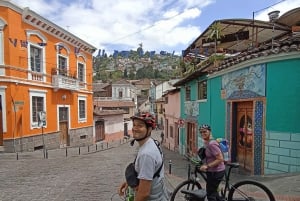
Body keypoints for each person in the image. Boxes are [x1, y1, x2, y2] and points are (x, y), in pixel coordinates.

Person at [118, 112, 169, 201]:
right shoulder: (152, 143)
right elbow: (148, 173)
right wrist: (129, 182)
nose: (135, 128)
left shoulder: (146, 154)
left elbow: (144, 193)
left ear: (149, 130)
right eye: (134, 125)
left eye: (140, 126)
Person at [199, 124, 225, 201]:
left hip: (216, 171)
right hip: (212, 171)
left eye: (205, 131)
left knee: (210, 195)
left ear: (209, 131)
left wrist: (207, 166)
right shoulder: (207, 142)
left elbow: (220, 159)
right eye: (201, 132)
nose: (203, 133)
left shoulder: (212, 144)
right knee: (214, 192)